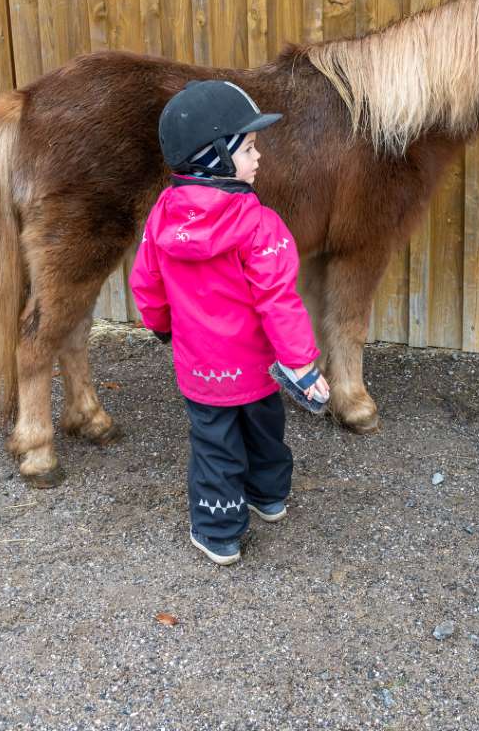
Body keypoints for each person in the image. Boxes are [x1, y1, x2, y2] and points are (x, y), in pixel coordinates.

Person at [129, 80, 329, 566]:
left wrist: (161, 327)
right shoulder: (260, 227)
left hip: (200, 370)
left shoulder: (161, 219)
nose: (259, 157)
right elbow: (279, 302)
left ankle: (219, 532)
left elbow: (145, 283)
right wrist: (301, 366)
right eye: (249, 148)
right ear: (214, 156)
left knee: (215, 445)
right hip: (258, 369)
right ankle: (268, 496)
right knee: (263, 431)